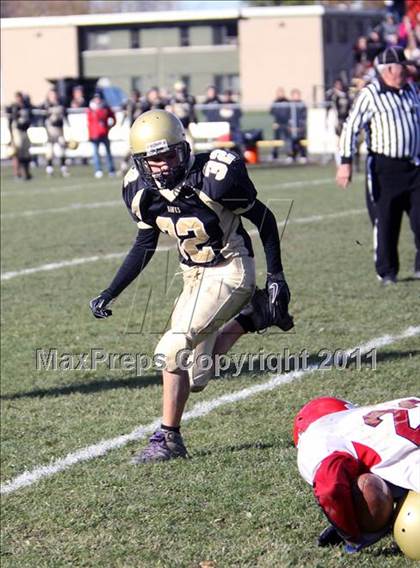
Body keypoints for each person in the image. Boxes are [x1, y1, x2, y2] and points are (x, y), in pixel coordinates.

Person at [89, 109, 293, 463]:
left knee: (172, 349)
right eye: (154, 160)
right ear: (140, 163)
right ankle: (252, 318)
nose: (164, 166)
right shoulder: (138, 192)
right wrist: (111, 291)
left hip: (231, 269)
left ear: (184, 149)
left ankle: (169, 438)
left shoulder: (215, 177)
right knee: (195, 376)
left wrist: (275, 276)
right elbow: (144, 244)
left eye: (169, 155)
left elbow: (264, 218)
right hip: (193, 276)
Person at [294, 396, 420, 554]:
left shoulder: (317, 436)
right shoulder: (397, 404)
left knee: (412, 531)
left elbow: (330, 488)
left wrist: (352, 535)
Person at [336, 46, 420, 284]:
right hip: (385, 168)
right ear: (389, 69)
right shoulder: (370, 94)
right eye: (403, 66)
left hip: (414, 165)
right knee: (386, 220)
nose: (407, 70)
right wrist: (345, 162)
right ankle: (387, 271)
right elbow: (351, 128)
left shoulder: (411, 89)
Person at [41, 88, 70, 177]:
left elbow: (65, 116)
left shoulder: (61, 104)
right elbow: (42, 118)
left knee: (62, 150)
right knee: (50, 151)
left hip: (60, 129)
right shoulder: (46, 105)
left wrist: (69, 127)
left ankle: (63, 168)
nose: (53, 97)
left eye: (54, 95)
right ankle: (49, 169)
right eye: (51, 95)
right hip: (50, 129)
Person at [87, 92, 116, 178]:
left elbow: (113, 117)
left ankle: (111, 169)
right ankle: (98, 170)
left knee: (108, 152)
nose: (97, 100)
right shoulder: (90, 109)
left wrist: (110, 126)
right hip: (94, 135)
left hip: (104, 133)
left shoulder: (105, 108)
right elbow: (89, 123)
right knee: (96, 153)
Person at [6, 91, 33, 181]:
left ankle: (26, 173)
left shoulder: (26, 107)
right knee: (17, 153)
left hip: (24, 131)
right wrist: (11, 136)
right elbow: (10, 120)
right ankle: (18, 173)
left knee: (26, 153)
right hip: (16, 131)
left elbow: (30, 117)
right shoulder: (14, 107)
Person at [269, 87, 290, 160]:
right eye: (279, 93)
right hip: (277, 124)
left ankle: (289, 155)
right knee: (276, 140)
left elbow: (290, 113)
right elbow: (272, 112)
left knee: (287, 140)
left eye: (281, 93)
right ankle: (274, 155)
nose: (280, 94)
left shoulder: (288, 102)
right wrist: (275, 123)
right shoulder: (275, 102)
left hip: (286, 124)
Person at [288, 89, 307, 163]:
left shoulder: (302, 105)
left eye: (297, 95)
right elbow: (288, 117)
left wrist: (300, 127)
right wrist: (290, 127)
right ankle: (292, 156)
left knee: (301, 142)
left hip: (300, 128)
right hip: (292, 128)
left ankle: (303, 155)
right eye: (295, 95)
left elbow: (304, 117)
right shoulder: (289, 105)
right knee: (292, 142)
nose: (296, 97)